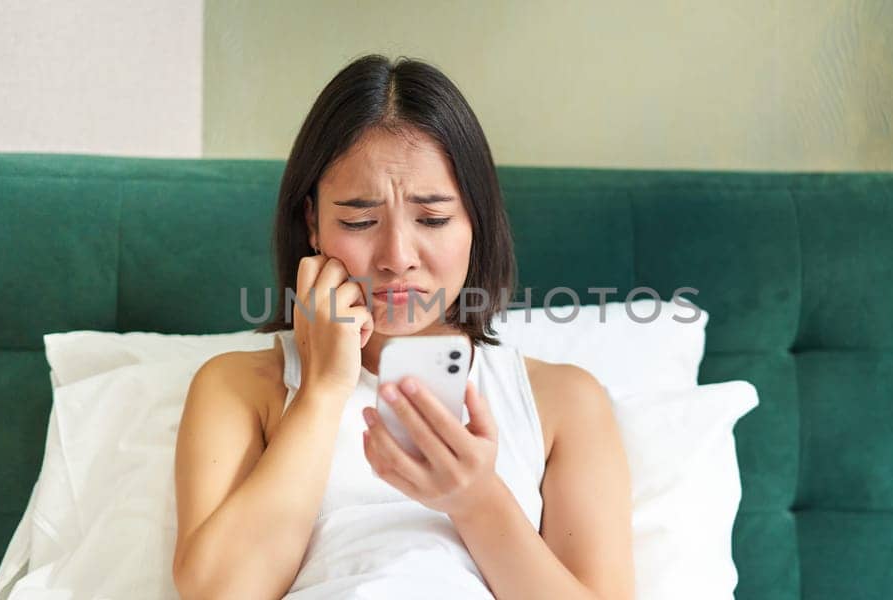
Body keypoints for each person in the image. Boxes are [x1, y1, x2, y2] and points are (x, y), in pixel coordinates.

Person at [172, 54, 633, 599]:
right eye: (359, 220)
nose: (396, 256)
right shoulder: (239, 387)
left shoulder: (564, 402)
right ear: (313, 224)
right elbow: (220, 594)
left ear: (475, 225)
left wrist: (474, 498)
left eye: (433, 219)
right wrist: (322, 391)